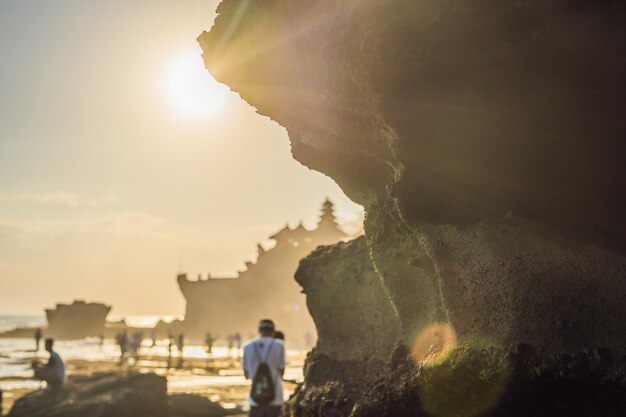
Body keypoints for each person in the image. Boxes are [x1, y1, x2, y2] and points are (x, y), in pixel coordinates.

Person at [242, 319, 285, 417]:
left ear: (259, 330)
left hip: (255, 397)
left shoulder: (247, 347)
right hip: (275, 396)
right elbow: (282, 371)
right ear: (273, 330)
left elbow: (246, 375)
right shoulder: (279, 345)